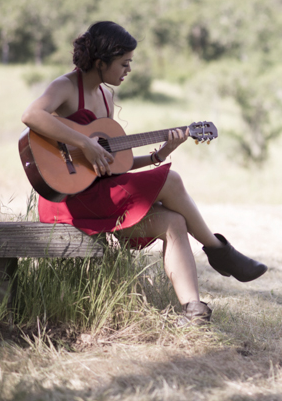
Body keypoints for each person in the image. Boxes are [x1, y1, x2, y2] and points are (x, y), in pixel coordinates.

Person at [21, 21, 267, 325]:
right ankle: (218, 250)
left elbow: (111, 166)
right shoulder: (66, 87)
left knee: (174, 221)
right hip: (68, 199)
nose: (128, 70)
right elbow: (31, 115)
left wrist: (158, 155)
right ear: (100, 62)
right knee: (172, 180)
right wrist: (84, 142)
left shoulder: (107, 98)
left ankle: (194, 310)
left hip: (99, 194)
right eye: (124, 63)